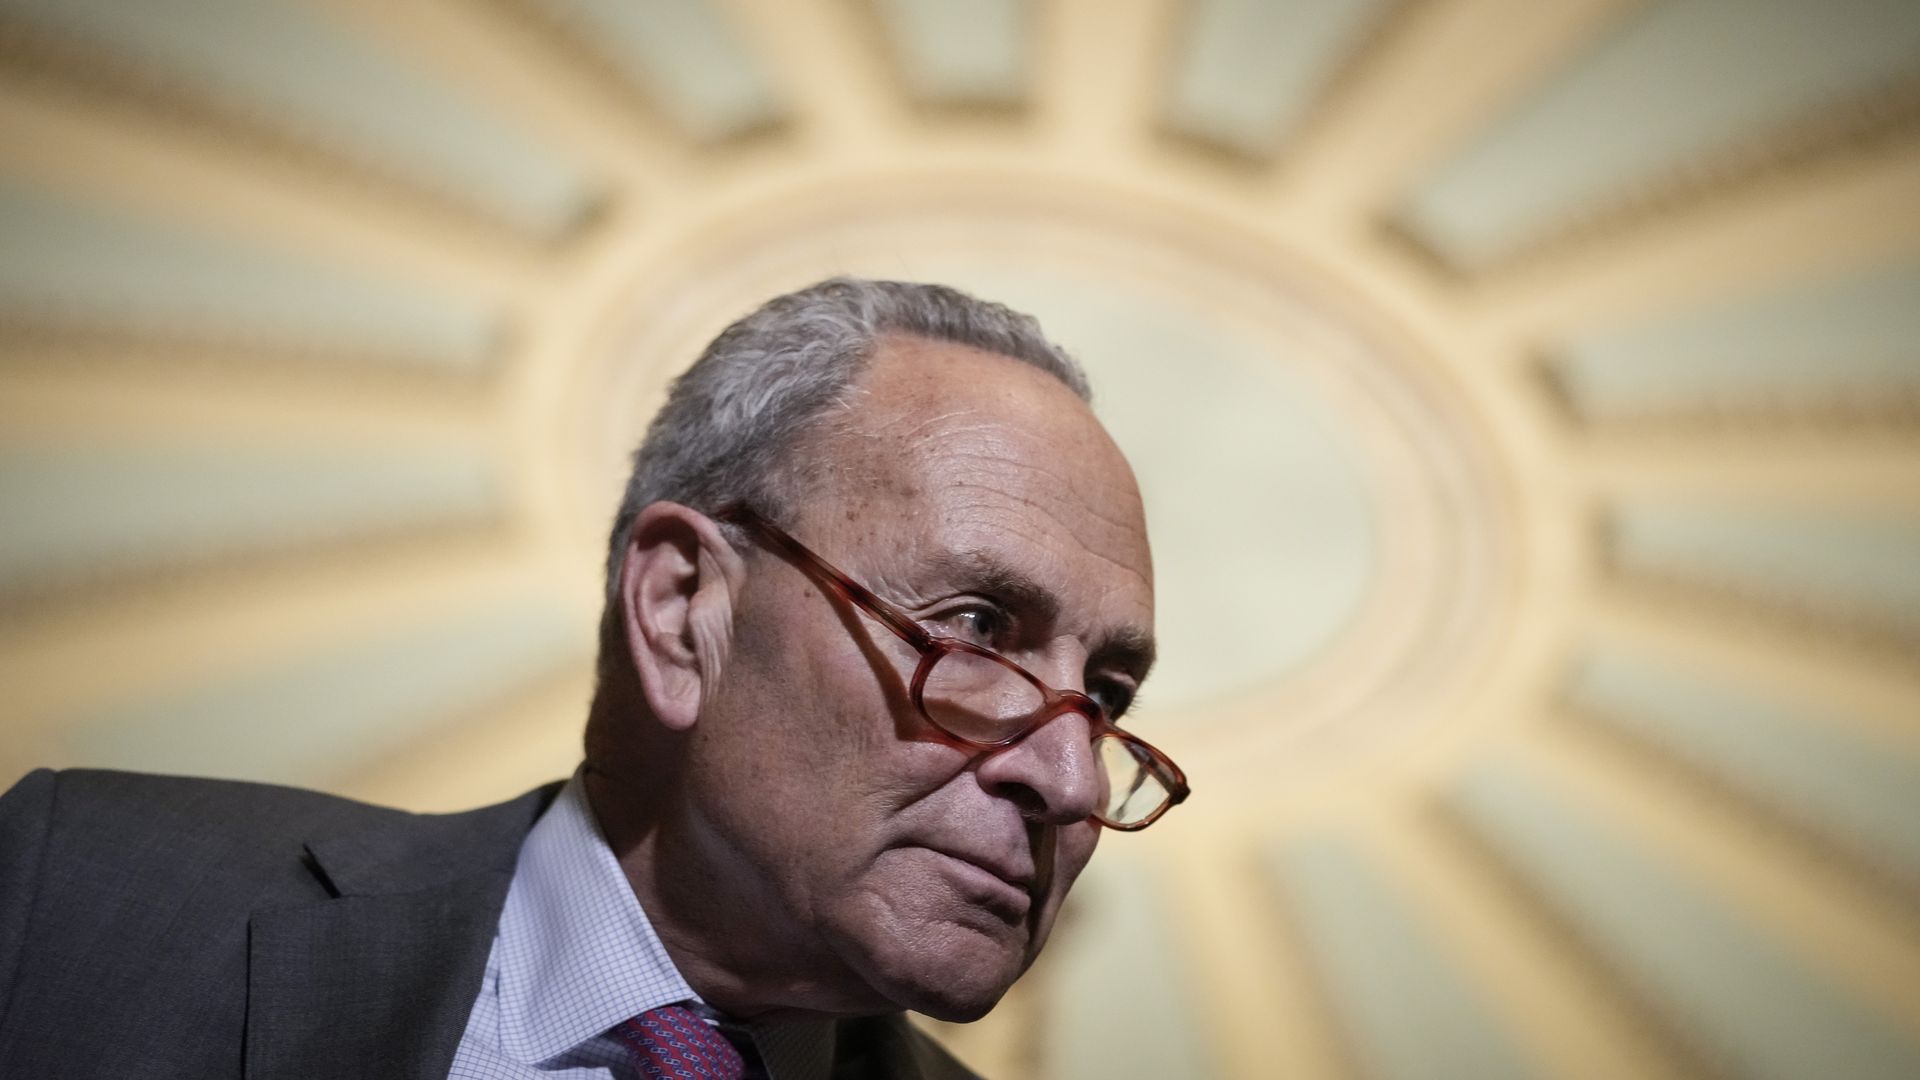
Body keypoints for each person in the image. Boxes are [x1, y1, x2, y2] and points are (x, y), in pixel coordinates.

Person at [0, 277, 1188, 1079]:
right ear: (682, 612)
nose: (1073, 778)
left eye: (1112, 696)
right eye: (979, 629)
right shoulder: (82, 887)